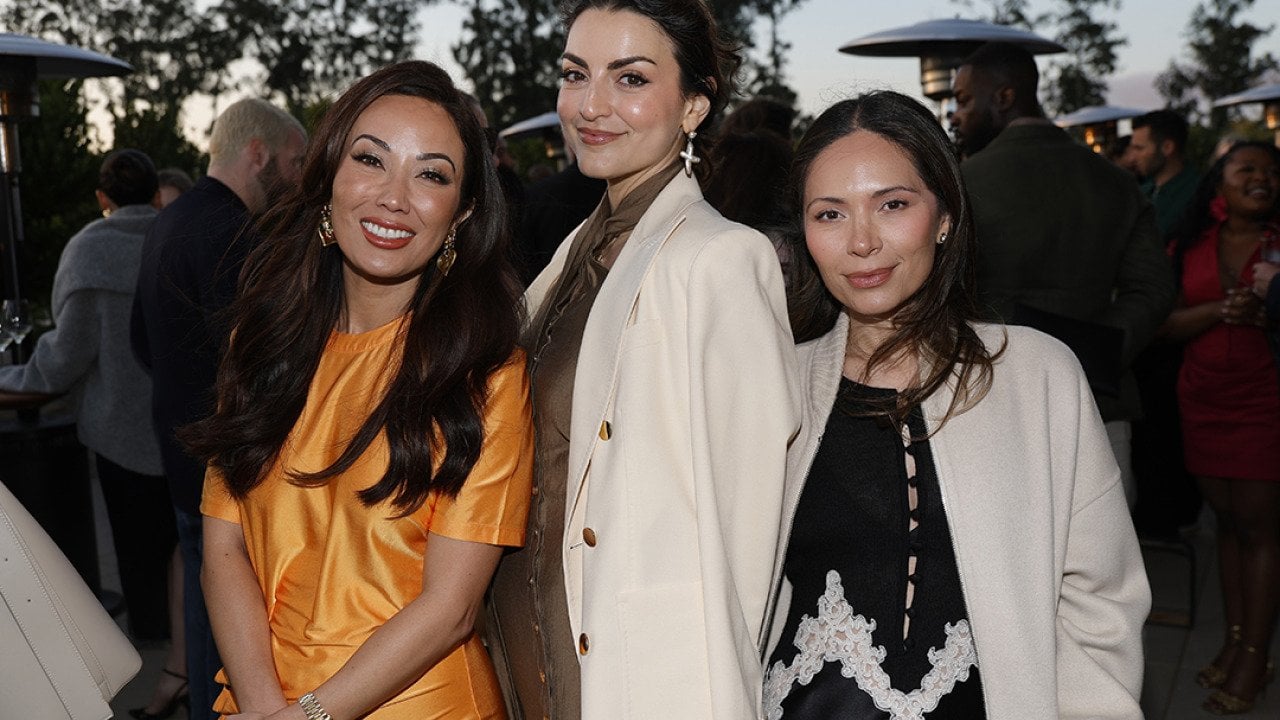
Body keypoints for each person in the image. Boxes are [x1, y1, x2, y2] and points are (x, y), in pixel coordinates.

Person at [763, 91, 1149, 720]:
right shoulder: (774, 384)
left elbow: (1099, 597)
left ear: (944, 215)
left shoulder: (1038, 375)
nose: (861, 242)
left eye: (892, 205)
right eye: (829, 214)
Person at [179, 60, 533, 720]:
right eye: (370, 160)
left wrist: (310, 714)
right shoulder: (259, 347)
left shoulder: (484, 375)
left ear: (461, 213)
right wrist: (262, 706)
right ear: (327, 181)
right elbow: (223, 548)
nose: (393, 196)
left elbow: (451, 610)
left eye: (431, 174)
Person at [486, 1, 800, 718]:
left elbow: (749, 533)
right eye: (575, 74)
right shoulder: (575, 253)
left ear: (693, 105)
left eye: (629, 79)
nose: (590, 105)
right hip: (519, 646)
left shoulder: (719, 258)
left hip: (632, 670)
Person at [131, 98, 307, 720]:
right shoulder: (234, 233)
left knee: (209, 615)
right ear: (256, 153)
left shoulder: (166, 221)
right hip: (227, 465)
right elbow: (262, 361)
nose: (299, 174)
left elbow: (140, 344)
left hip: (181, 451)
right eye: (293, 160)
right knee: (229, 627)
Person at [950, 41, 1174, 509]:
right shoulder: (1116, 183)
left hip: (987, 405)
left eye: (965, 99)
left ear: (1005, 98)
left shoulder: (961, 186)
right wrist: (1095, 351)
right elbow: (1152, 290)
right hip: (1099, 404)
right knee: (1103, 571)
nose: (956, 114)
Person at [0, 148, 175, 643]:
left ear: (102, 197)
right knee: (182, 551)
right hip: (183, 426)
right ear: (156, 193)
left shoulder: (87, 251)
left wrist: (10, 378)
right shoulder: (173, 237)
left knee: (135, 554)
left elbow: (60, 362)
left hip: (118, 430)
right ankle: (185, 656)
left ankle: (152, 643)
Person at [1163, 141, 1280, 714]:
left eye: (1271, 171)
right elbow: (1165, 323)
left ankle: (1256, 657)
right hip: (1203, 400)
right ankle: (1235, 644)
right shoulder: (1191, 245)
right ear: (1220, 185)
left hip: (1265, 401)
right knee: (1229, 526)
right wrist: (1218, 311)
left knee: (1260, 529)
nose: (1262, 178)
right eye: (1248, 169)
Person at [1130, 110, 1198, 237]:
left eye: (1140, 148)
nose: (1133, 158)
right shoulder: (1141, 192)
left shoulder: (1198, 194)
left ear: (1167, 147)